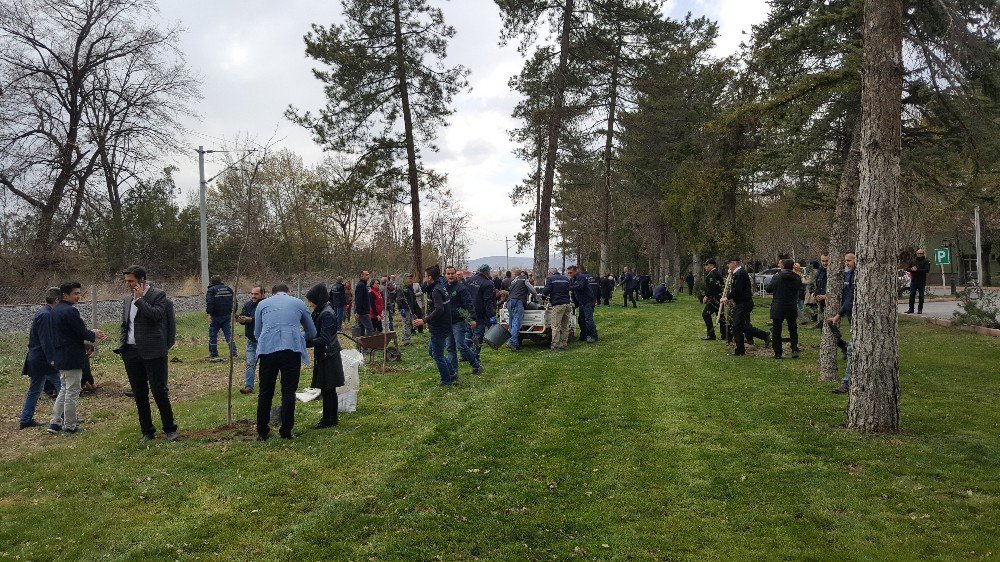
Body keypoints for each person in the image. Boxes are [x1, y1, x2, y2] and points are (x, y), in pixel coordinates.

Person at [116, 266, 178, 442]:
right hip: (131, 353)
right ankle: (147, 431)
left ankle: (170, 429)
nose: (128, 284)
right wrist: (123, 344)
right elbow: (125, 323)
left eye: (131, 281)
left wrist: (140, 300)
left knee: (159, 391)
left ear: (142, 280)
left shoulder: (158, 295)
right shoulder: (127, 299)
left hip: (154, 352)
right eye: (126, 281)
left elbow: (157, 316)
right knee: (139, 393)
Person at [253, 283, 317, 440]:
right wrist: (298, 335)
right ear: (288, 292)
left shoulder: (262, 304)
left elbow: (257, 333)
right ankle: (286, 431)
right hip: (291, 351)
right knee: (288, 392)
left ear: (272, 293)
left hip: (267, 351)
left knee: (265, 393)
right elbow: (312, 331)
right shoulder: (298, 303)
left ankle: (262, 432)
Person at [49, 282, 107, 434]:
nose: (78, 296)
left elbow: (71, 331)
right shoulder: (70, 311)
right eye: (75, 293)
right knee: (72, 392)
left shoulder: (55, 310)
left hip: (61, 356)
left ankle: (55, 423)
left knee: (64, 389)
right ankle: (69, 426)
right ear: (64, 295)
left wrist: (90, 332)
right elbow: (80, 332)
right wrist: (93, 334)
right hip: (72, 356)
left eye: (79, 293)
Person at [18, 287, 61, 430]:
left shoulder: (43, 312)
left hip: (37, 358)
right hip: (43, 359)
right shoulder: (46, 315)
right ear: (56, 300)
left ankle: (26, 419)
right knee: (62, 386)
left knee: (35, 389)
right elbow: (46, 340)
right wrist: (52, 358)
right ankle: (66, 416)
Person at [305, 284, 343, 429]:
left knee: (328, 388)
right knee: (328, 389)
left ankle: (329, 419)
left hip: (329, 354)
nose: (310, 304)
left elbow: (325, 339)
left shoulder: (326, 313)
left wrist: (305, 343)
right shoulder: (321, 310)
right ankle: (330, 418)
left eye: (311, 300)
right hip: (326, 354)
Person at [412, 265, 454, 386]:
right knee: (433, 352)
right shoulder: (440, 286)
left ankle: (446, 381)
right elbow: (424, 288)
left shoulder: (436, 290)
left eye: (425, 276)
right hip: (443, 325)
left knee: (437, 355)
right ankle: (451, 373)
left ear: (430, 277)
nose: (424, 278)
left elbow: (439, 309)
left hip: (439, 327)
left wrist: (424, 321)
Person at [720, 257, 770, 356]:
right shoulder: (737, 273)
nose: (728, 266)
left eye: (729, 263)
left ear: (734, 263)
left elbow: (737, 289)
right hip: (741, 303)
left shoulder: (740, 273)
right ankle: (762, 336)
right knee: (739, 326)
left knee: (737, 326)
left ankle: (741, 349)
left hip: (744, 303)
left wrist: (727, 297)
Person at [445, 266, 483, 378]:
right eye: (448, 274)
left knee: (460, 345)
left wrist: (472, 319)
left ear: (456, 274)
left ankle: (476, 364)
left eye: (452, 273)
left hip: (458, 321)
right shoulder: (443, 287)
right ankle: (453, 372)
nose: (450, 276)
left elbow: (469, 304)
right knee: (450, 347)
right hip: (447, 322)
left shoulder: (461, 288)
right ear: (445, 275)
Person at [830, 252, 857, 394]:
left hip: (858, 315)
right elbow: (847, 297)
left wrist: (839, 314)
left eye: (849, 260)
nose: (847, 263)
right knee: (852, 349)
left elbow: (851, 297)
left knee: (852, 349)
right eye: (845, 261)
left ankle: (846, 382)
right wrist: (839, 314)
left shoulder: (859, 275)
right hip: (850, 313)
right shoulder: (848, 275)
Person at [767, 260, 802, 359]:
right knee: (793, 329)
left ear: (782, 266)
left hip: (778, 306)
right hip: (791, 306)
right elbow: (799, 288)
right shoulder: (796, 278)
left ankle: (778, 352)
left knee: (777, 330)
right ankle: (794, 349)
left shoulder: (777, 277)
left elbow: (768, 289)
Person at [236, 286, 265, 394]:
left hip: (263, 340)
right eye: (252, 293)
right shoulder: (248, 305)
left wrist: (251, 319)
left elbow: (263, 319)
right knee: (250, 363)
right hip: (251, 340)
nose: (253, 296)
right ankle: (249, 386)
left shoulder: (265, 305)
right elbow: (244, 318)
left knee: (265, 365)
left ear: (262, 294)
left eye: (256, 294)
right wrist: (241, 320)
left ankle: (265, 385)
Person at [465, 264, 497, 359]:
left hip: (468, 312)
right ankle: (473, 355)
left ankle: (465, 353)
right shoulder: (488, 283)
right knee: (477, 335)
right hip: (479, 314)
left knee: (468, 333)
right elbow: (488, 302)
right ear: (486, 272)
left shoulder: (470, 280)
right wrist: (491, 316)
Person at [541, 267, 572, 351]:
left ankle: (555, 345)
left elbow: (546, 290)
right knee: (565, 326)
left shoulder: (551, 279)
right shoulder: (566, 278)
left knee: (555, 325)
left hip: (558, 304)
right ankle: (564, 344)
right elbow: (570, 289)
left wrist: (543, 296)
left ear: (551, 273)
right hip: (567, 304)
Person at [506, 270, 537, 351]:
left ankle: (511, 341)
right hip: (518, 301)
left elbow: (509, 289)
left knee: (511, 323)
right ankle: (512, 342)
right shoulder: (525, 281)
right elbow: (533, 291)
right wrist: (536, 299)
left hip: (509, 301)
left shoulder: (514, 282)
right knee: (516, 323)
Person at [568, 265, 597, 343]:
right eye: (568, 273)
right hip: (581, 302)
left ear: (576, 271)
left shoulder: (582, 277)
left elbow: (579, 287)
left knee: (588, 319)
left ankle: (593, 335)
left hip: (588, 301)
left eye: (571, 272)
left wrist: (568, 287)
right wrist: (574, 302)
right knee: (581, 320)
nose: (569, 274)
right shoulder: (572, 279)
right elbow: (574, 292)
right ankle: (584, 335)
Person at [701, 259, 725, 341]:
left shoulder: (712, 274)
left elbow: (712, 287)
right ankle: (724, 335)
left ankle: (711, 335)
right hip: (720, 297)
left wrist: (706, 296)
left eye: (706, 265)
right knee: (721, 316)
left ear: (711, 265)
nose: (705, 266)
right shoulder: (717, 273)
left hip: (715, 298)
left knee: (705, 314)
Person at [906, 248, 931, 314]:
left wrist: (917, 270)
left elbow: (927, 270)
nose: (919, 255)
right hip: (914, 281)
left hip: (921, 281)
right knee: (911, 295)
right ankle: (911, 309)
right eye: (918, 253)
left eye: (920, 253)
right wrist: (911, 269)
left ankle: (920, 310)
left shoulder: (926, 261)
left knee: (921, 295)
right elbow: (907, 269)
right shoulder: (913, 261)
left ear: (923, 254)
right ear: (916, 254)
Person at [353, 271, 373, 336]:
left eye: (368, 275)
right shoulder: (360, 285)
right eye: (366, 275)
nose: (368, 276)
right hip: (362, 312)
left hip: (363, 311)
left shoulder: (363, 285)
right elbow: (358, 299)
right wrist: (358, 312)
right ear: (361, 276)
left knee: (361, 330)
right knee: (370, 329)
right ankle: (368, 344)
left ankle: (360, 345)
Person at [811, 255, 829, 328]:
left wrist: (826, 296)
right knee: (822, 323)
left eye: (827, 261)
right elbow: (813, 283)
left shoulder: (836, 272)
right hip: (820, 301)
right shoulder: (819, 271)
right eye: (823, 261)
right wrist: (813, 293)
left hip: (831, 301)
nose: (824, 263)